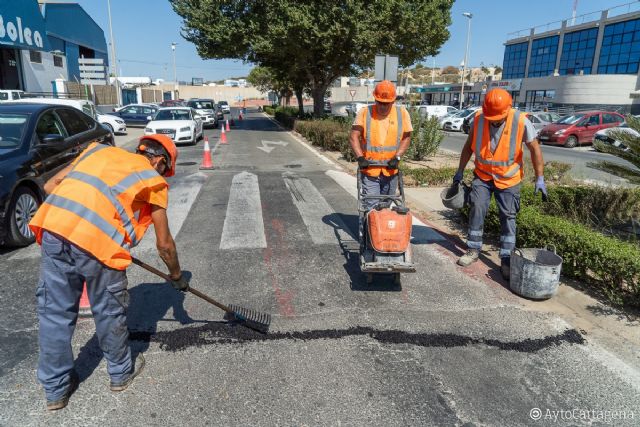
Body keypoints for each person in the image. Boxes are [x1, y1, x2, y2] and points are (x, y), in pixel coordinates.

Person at [29, 135, 190, 411]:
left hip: (55, 231)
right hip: (98, 247)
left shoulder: (97, 150)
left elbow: (50, 184)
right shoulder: (154, 181)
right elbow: (165, 245)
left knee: (54, 314)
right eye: (165, 169)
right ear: (160, 161)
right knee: (108, 310)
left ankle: (55, 392)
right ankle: (119, 374)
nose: (164, 175)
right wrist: (176, 276)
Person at [453, 88, 547, 280]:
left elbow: (535, 149)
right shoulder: (478, 120)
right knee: (477, 208)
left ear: (508, 109)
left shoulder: (522, 121)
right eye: (491, 116)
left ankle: (506, 258)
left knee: (508, 217)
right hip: (483, 175)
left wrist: (540, 177)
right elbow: (468, 147)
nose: (494, 120)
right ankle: (473, 249)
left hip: (509, 179)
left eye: (498, 117)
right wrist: (460, 171)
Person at [349, 80, 412, 210]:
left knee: (385, 206)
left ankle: (381, 229)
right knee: (371, 206)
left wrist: (397, 157)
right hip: (370, 169)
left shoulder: (402, 113)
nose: (383, 106)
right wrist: (360, 157)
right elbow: (353, 136)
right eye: (380, 103)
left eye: (387, 104)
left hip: (391, 169)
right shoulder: (365, 112)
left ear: (393, 101)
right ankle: (369, 229)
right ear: (375, 99)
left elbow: (406, 138)